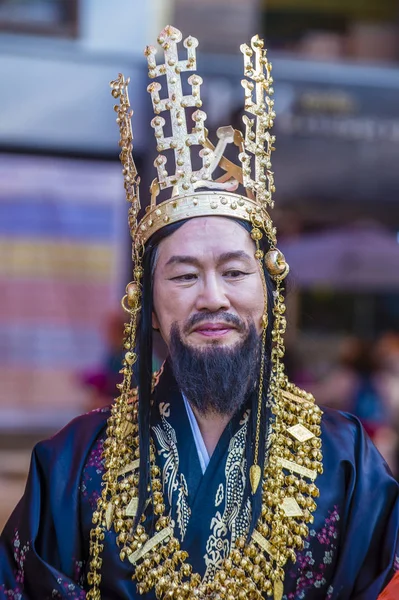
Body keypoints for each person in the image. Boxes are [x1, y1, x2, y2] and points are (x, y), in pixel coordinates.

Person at [1, 25, 398, 600]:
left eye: (235, 272)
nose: (213, 296)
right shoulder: (70, 466)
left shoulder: (347, 464)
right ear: (149, 306)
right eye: (185, 275)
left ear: (268, 292)